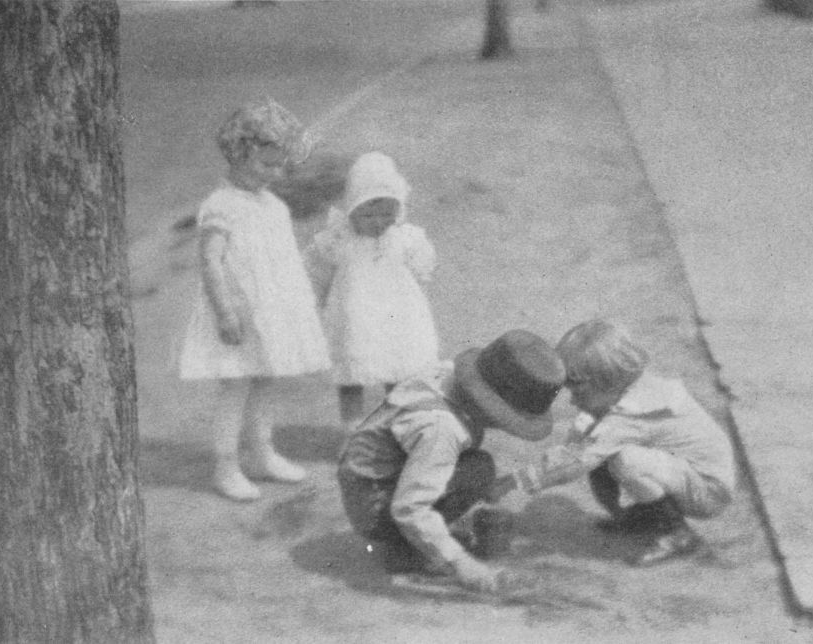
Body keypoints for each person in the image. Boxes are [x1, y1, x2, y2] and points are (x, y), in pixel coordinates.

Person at [179, 99, 331, 501]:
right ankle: (225, 465)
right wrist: (224, 311)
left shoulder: (274, 206)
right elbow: (210, 260)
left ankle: (262, 451)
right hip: (238, 312)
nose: (274, 173)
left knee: (266, 379)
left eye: (279, 165)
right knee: (236, 385)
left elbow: (281, 261)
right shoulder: (221, 205)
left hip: (270, 313)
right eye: (266, 164)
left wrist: (297, 306)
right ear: (239, 155)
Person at [337, 329, 567, 593]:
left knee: (475, 467)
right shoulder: (441, 428)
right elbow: (410, 508)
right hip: (371, 504)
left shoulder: (448, 375)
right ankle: (405, 548)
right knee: (477, 471)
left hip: (366, 478)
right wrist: (462, 564)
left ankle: (419, 538)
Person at [493, 319, 736, 565]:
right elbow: (578, 446)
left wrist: (517, 480)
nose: (573, 402)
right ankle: (647, 517)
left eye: (579, 393)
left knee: (625, 460)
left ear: (606, 382)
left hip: (709, 490)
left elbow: (575, 462)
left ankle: (677, 533)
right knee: (598, 443)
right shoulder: (631, 389)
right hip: (689, 474)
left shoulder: (630, 415)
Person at [305, 152, 439, 431]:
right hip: (354, 323)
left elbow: (422, 268)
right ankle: (352, 431)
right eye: (368, 214)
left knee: (399, 374)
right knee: (351, 378)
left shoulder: (403, 238)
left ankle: (398, 428)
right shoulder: (340, 240)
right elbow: (316, 270)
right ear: (352, 208)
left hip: (397, 321)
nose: (378, 222)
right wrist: (316, 300)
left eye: (387, 214)